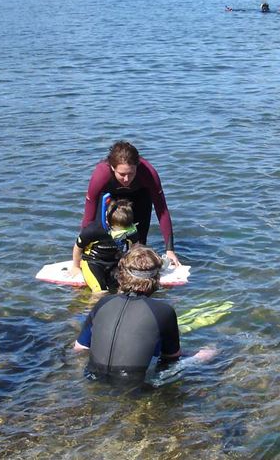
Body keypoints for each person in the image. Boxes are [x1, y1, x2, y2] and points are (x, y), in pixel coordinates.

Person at [73, 246, 213, 380]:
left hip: (92, 376)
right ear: (157, 279)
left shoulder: (103, 303)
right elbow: (171, 357)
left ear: (121, 275)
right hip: (134, 384)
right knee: (209, 352)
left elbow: (80, 348)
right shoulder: (164, 311)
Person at [82, 141, 180, 268]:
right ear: (112, 168)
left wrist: (170, 250)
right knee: (102, 235)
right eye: (122, 174)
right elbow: (88, 215)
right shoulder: (101, 174)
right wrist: (82, 252)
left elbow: (162, 210)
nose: (127, 179)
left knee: (138, 242)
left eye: (131, 173)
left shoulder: (148, 173)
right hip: (110, 196)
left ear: (137, 166)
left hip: (140, 195)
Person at [71, 197, 137, 292]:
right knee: (100, 291)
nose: (122, 235)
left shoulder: (130, 231)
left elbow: (134, 248)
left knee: (124, 289)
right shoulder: (93, 230)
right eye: (118, 232)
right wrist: (76, 267)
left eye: (125, 231)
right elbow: (78, 247)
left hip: (115, 262)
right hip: (94, 262)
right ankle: (91, 306)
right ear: (107, 222)